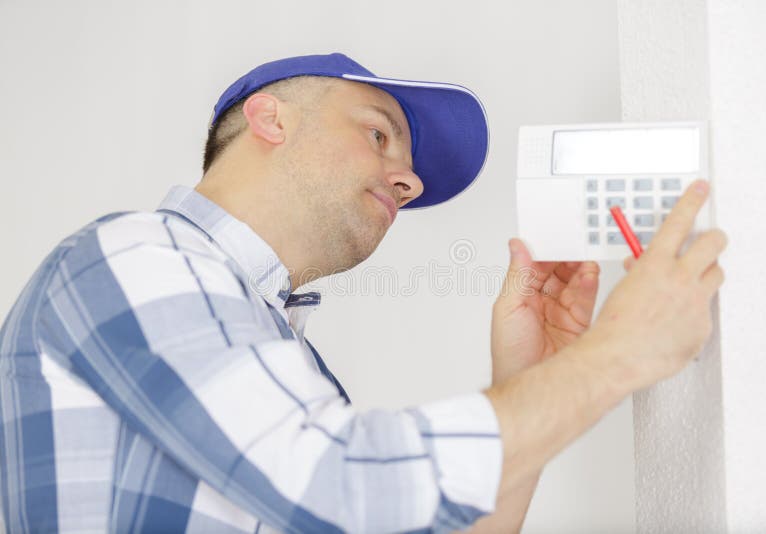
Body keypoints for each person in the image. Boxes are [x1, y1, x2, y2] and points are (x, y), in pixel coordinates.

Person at [0, 53, 727, 533]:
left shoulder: (285, 360)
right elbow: (343, 486)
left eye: (408, 172)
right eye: (381, 136)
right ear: (270, 117)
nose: (408, 182)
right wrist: (618, 353)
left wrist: (527, 380)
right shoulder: (133, 255)